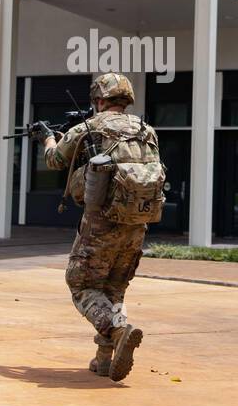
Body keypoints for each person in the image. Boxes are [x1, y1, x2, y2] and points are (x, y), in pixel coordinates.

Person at [41, 72, 164, 381]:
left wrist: (47, 138)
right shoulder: (147, 131)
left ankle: (119, 328)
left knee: (81, 283)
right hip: (137, 224)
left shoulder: (89, 127)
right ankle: (105, 360)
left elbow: (55, 161)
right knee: (113, 289)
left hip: (101, 224)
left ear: (98, 99)